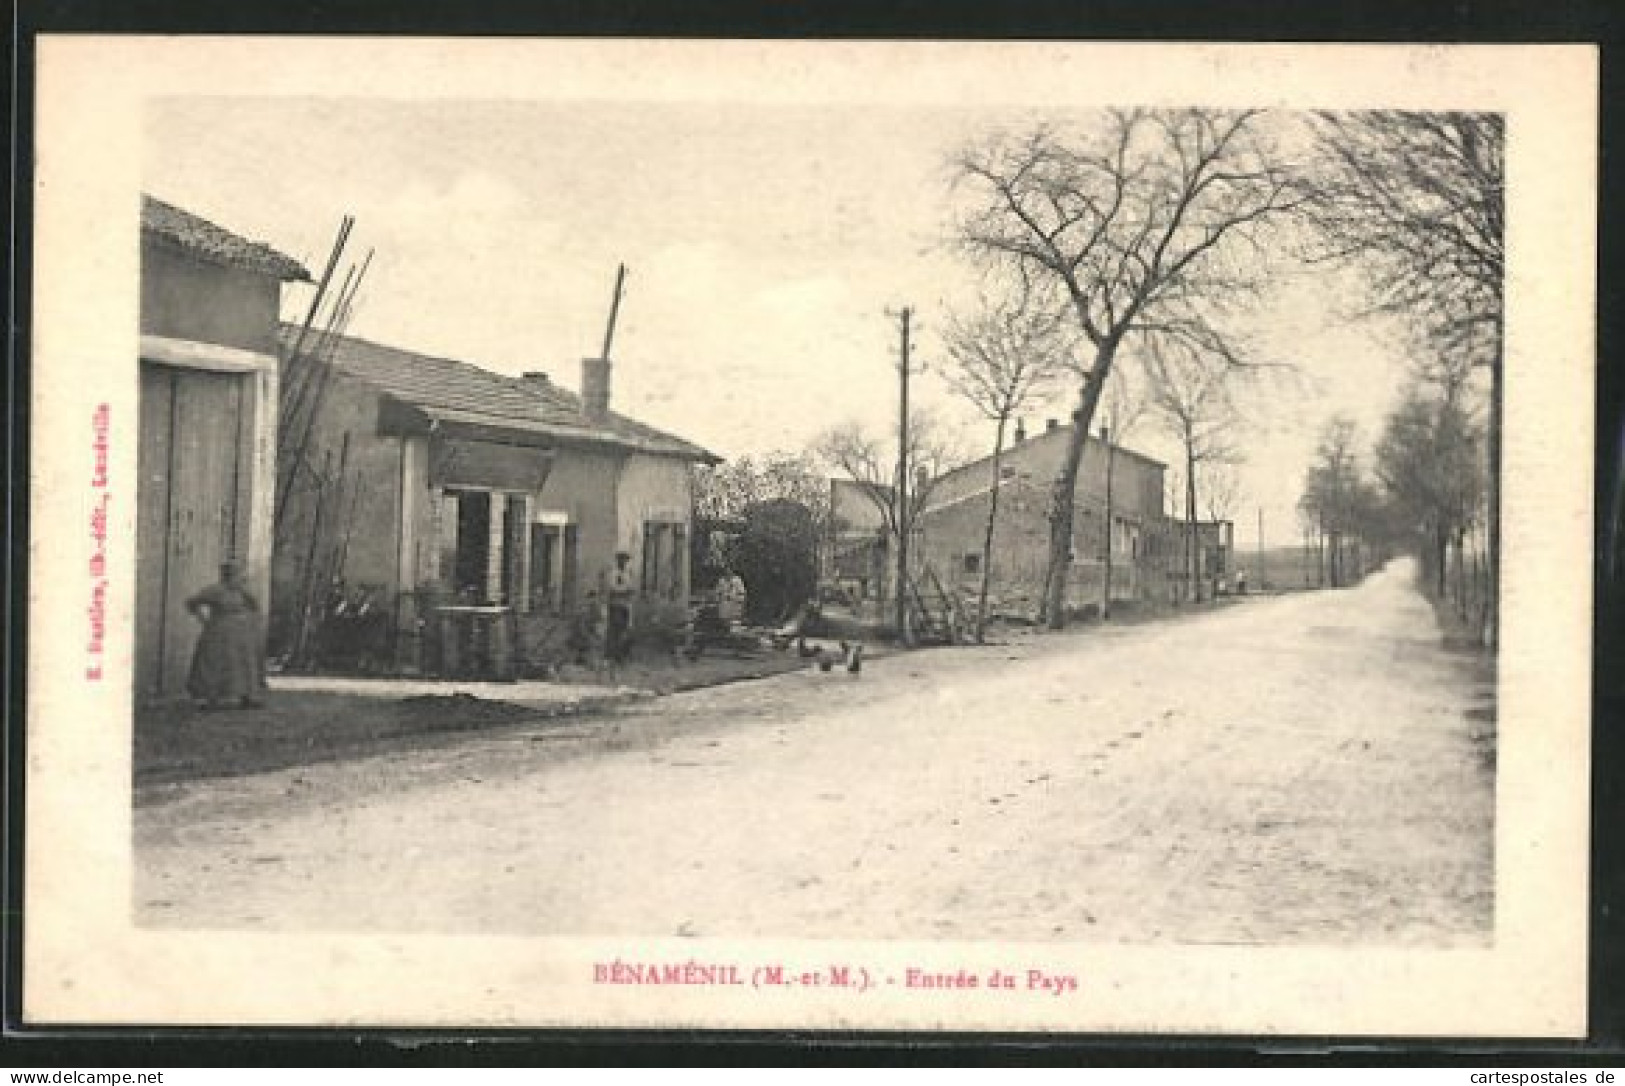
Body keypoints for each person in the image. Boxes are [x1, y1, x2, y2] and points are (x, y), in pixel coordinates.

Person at [186, 559, 266, 709]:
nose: (236, 578)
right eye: (232, 574)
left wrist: (249, 619)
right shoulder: (214, 591)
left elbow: (255, 605)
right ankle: (207, 697)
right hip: (218, 631)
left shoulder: (242, 592)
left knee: (242, 663)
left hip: (240, 634)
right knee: (213, 663)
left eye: (237, 574)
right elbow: (192, 603)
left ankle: (245, 695)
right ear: (225, 575)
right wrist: (202, 619)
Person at [605, 550, 636, 664]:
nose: (623, 563)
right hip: (615, 605)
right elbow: (612, 588)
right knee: (614, 630)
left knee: (625, 630)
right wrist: (625, 591)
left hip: (626, 606)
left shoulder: (628, 574)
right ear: (617, 561)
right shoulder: (614, 573)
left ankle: (622, 656)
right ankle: (611, 655)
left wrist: (628, 591)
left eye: (625, 560)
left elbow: (632, 588)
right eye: (621, 560)